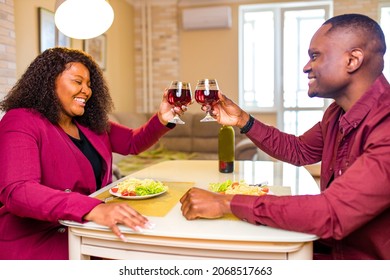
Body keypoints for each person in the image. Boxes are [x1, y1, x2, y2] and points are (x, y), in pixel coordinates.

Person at [180, 13, 390, 260]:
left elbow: (332, 213)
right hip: (330, 249)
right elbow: (299, 150)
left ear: (352, 60)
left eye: (315, 56)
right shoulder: (336, 113)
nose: (306, 66)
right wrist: (243, 120)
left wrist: (225, 202)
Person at [0, 47, 183, 259]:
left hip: (85, 228)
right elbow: (19, 191)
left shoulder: (89, 124)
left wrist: (163, 118)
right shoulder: (21, 120)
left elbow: (133, 142)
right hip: (40, 238)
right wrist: (92, 208)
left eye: (88, 84)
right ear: (48, 82)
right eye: (77, 82)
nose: (86, 91)